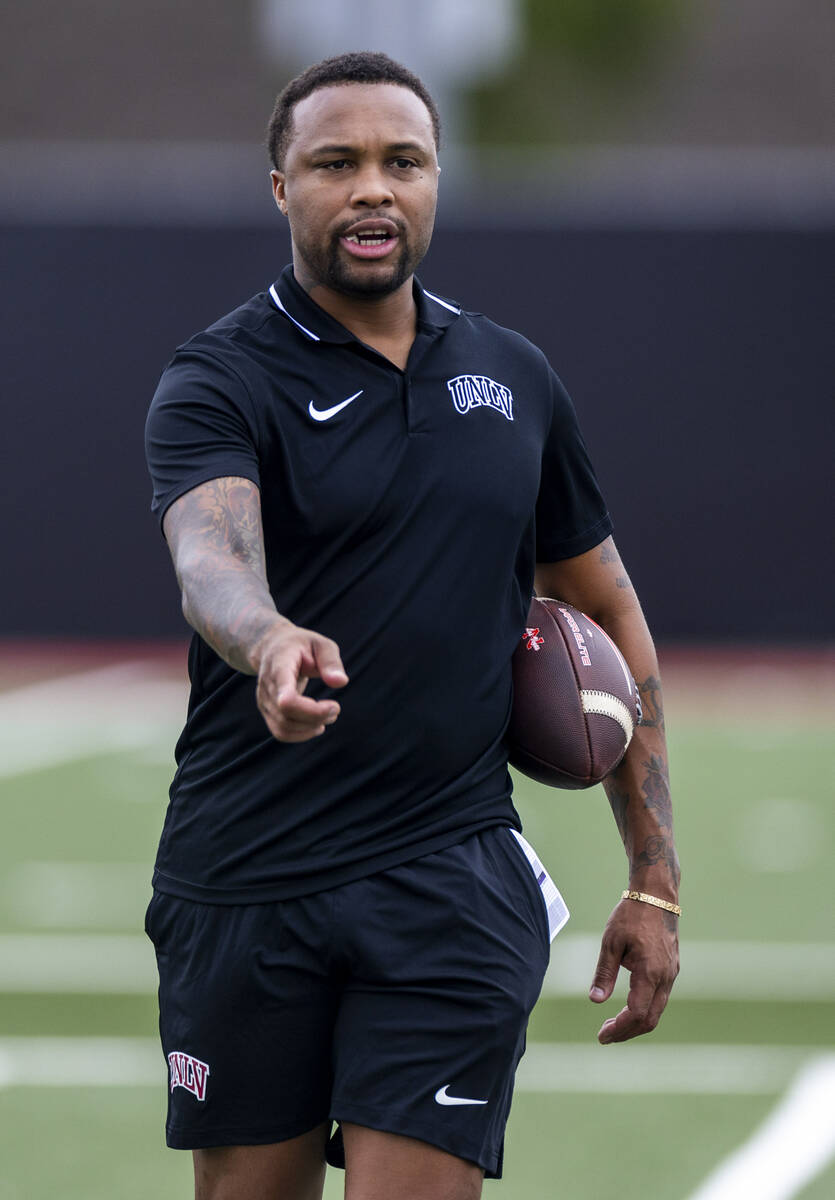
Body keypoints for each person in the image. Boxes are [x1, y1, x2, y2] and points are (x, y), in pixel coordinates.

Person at [144, 50, 679, 1200]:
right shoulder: (217, 378)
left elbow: (606, 609)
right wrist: (269, 637)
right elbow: (211, 558)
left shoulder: (514, 377)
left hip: (450, 876)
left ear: (437, 182)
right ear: (283, 187)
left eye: (404, 162)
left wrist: (655, 880)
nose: (373, 188)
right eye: (336, 163)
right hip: (245, 875)